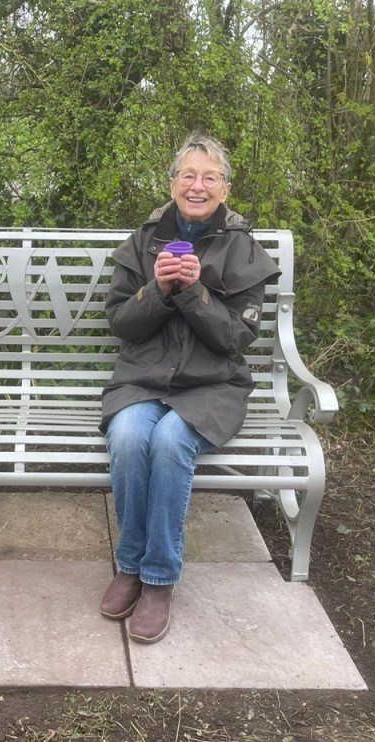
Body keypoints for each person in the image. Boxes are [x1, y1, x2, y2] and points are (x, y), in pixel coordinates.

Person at [99, 133, 280, 643]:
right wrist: (157, 289)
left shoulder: (241, 247)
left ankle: (158, 579)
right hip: (143, 379)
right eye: (188, 175)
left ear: (225, 188)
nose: (197, 186)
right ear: (173, 182)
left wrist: (197, 292)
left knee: (171, 441)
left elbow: (236, 338)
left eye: (210, 177)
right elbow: (121, 324)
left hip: (211, 386)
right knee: (132, 437)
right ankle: (130, 565)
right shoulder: (145, 240)